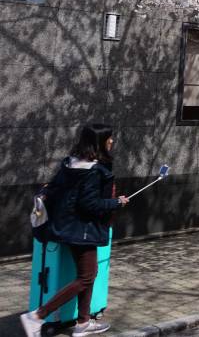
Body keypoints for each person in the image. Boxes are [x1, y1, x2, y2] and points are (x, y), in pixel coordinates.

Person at [21, 124, 128, 337]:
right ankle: (38, 316)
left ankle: (83, 323)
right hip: (84, 229)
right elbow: (89, 204)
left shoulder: (70, 164)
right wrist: (116, 202)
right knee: (87, 277)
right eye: (109, 138)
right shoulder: (96, 171)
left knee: (88, 274)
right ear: (100, 142)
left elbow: (55, 189)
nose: (112, 142)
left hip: (67, 227)